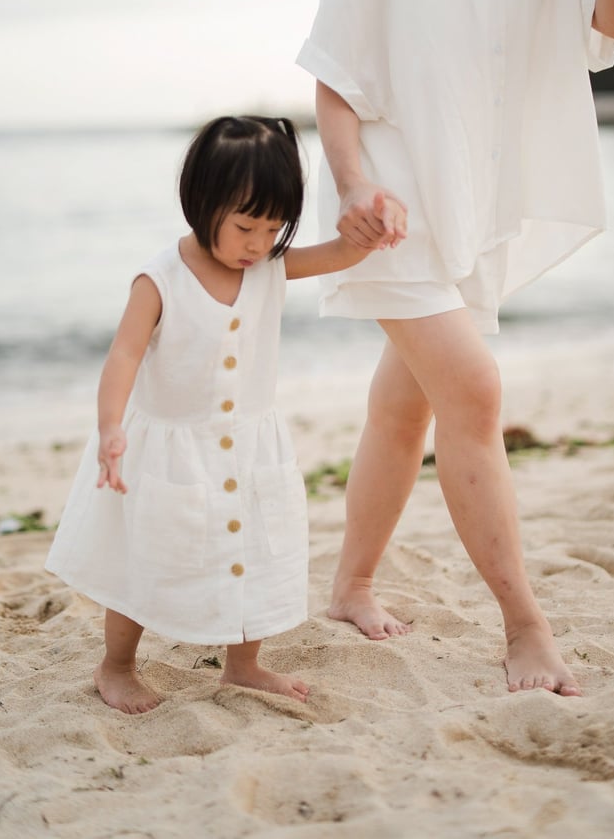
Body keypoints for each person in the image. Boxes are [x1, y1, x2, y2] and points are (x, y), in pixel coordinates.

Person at [296, 0, 614, 696]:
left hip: (477, 192)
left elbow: (605, 33)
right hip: (395, 193)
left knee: (405, 409)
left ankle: (352, 584)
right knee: (476, 390)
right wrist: (356, 187)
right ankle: (525, 627)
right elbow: (334, 75)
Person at [46, 115, 395, 714]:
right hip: (169, 453)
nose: (258, 244)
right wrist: (109, 428)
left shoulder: (269, 267)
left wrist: (372, 224)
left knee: (255, 557)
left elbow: (341, 253)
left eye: (273, 228)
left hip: (251, 446)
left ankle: (244, 665)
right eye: (245, 227)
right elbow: (124, 355)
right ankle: (117, 665)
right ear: (201, 204)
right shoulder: (160, 279)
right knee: (143, 560)